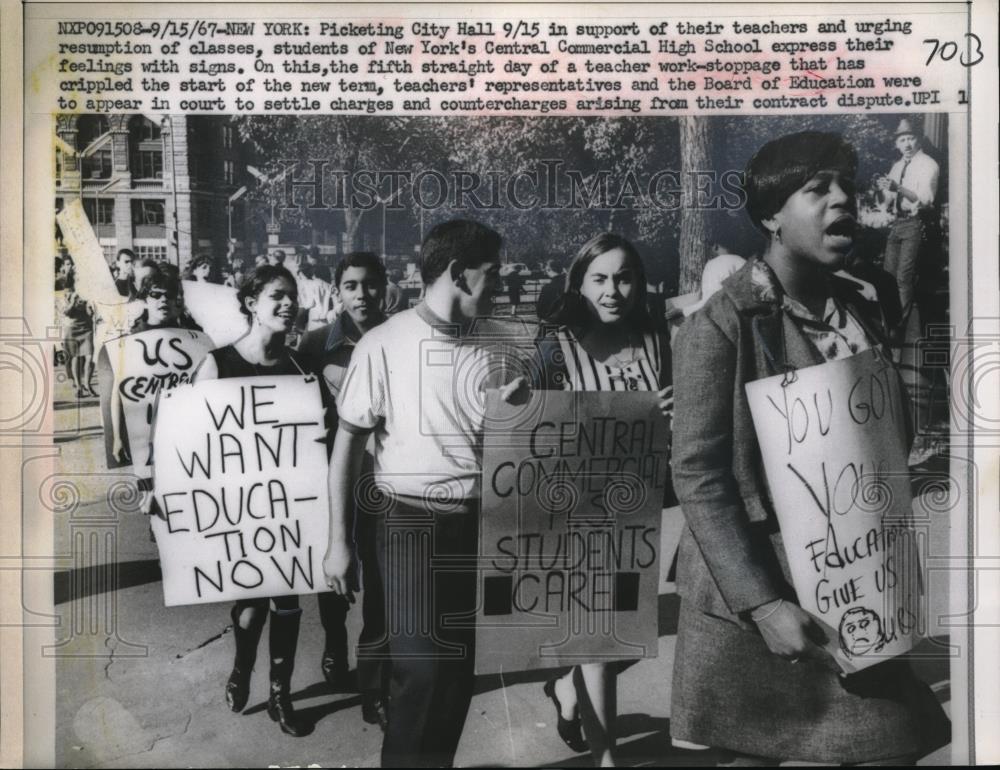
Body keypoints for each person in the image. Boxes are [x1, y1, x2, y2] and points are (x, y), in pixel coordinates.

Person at [670, 131, 949, 764]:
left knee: (889, 745)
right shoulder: (722, 325)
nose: (842, 202)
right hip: (758, 599)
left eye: (847, 188)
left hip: (855, 587)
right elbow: (698, 474)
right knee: (759, 752)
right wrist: (763, 604)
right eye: (816, 189)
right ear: (770, 215)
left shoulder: (862, 303)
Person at [323, 219, 505, 767]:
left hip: (475, 524)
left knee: (456, 676)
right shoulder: (383, 344)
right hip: (407, 523)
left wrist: (518, 411)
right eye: (491, 275)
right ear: (457, 273)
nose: (499, 287)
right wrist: (339, 542)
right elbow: (347, 448)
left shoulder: (500, 342)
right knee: (420, 674)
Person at [505, 234, 672, 767]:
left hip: (637, 504)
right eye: (599, 279)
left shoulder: (656, 337)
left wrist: (671, 408)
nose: (613, 290)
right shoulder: (558, 345)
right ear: (579, 284)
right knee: (600, 637)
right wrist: (518, 399)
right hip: (574, 506)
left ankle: (567, 691)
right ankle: (607, 759)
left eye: (624, 277)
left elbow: (680, 407)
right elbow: (515, 411)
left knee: (622, 637)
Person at [194, 264, 313, 738]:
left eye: (293, 297)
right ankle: (243, 666)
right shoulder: (217, 364)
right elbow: (192, 445)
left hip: (289, 509)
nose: (288, 305)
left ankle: (280, 694)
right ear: (251, 303)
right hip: (237, 507)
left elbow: (314, 442)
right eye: (277, 297)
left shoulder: (301, 368)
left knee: (288, 600)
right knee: (250, 602)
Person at [298, 252, 391, 730]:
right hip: (328, 476)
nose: (362, 295)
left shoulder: (400, 338)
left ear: (386, 288)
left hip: (384, 480)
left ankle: (373, 685)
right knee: (332, 575)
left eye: (371, 285)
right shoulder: (314, 346)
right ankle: (334, 643)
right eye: (351, 286)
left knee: (380, 583)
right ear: (336, 292)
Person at [877, 118, 940, 325]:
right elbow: (887, 200)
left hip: (916, 223)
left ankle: (898, 328)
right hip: (897, 224)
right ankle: (887, 324)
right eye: (902, 139)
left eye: (910, 138)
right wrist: (882, 190)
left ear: (919, 140)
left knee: (904, 278)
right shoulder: (896, 166)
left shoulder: (928, 164)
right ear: (897, 144)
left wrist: (898, 188)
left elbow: (925, 200)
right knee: (888, 278)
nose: (907, 144)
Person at [56, 263, 96, 397]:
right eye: (78, 275)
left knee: (90, 357)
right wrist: (72, 302)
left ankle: (88, 385)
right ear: (73, 277)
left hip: (87, 327)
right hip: (72, 327)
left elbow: (92, 311)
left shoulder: (89, 291)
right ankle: (79, 387)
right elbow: (64, 312)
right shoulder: (68, 291)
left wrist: (91, 309)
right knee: (75, 358)